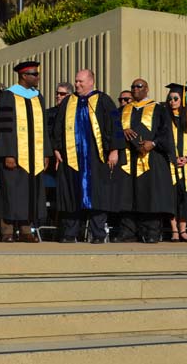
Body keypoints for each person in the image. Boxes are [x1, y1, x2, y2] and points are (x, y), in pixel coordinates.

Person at [53, 69, 123, 243]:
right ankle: (70, 233)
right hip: (71, 157)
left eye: (80, 81)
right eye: (76, 81)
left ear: (91, 81)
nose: (77, 84)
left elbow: (116, 125)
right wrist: (56, 149)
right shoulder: (69, 101)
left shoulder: (104, 100)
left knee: (97, 195)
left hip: (96, 157)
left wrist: (114, 150)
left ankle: (98, 234)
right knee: (71, 194)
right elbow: (57, 127)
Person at [0, 61, 51, 242]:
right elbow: (3, 127)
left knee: (29, 192)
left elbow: (44, 127)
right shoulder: (8, 96)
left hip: (34, 155)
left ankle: (26, 230)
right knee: (11, 192)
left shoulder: (37, 97)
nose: (38, 77)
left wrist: (46, 153)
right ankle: (7, 231)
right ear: (24, 76)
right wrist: (8, 153)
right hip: (15, 155)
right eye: (34, 74)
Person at [115, 78, 175, 243]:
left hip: (152, 158)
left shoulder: (159, 109)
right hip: (127, 159)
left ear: (146, 89)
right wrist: (122, 129)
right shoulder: (123, 110)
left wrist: (153, 143)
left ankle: (151, 232)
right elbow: (110, 130)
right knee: (128, 196)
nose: (135, 89)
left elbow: (167, 133)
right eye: (133, 86)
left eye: (139, 86)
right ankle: (128, 231)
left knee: (150, 195)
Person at [164, 83, 187, 242]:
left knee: (185, 198)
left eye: (175, 98)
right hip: (169, 163)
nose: (172, 101)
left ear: (182, 100)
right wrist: (172, 157)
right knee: (171, 198)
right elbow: (162, 139)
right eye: (170, 98)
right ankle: (174, 230)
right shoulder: (164, 115)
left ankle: (183, 230)